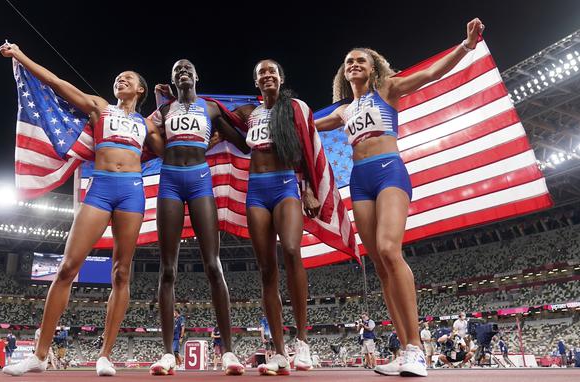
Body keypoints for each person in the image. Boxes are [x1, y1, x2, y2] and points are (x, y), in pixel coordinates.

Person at [315, 18, 485, 377]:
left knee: (391, 249)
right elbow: (304, 125)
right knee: (378, 263)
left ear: (373, 67)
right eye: (349, 62)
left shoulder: (388, 90)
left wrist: (466, 45)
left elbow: (432, 73)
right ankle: (405, 346)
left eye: (361, 60)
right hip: (359, 180)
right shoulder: (343, 110)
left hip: (389, 170)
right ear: (344, 74)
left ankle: (416, 349)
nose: (355, 65)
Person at [0, 42, 163, 377]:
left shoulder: (147, 126)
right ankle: (39, 356)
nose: (121, 80)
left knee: (121, 272)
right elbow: (58, 83)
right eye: (119, 78)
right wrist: (19, 55)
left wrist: (170, 105)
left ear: (140, 89)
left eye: (128, 79)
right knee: (67, 268)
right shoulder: (100, 107)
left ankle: (105, 354)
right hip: (100, 188)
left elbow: (176, 150)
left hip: (132, 193)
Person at [148, 59, 249, 376]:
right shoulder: (164, 112)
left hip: (200, 181)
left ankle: (229, 352)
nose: (182, 71)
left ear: (196, 76)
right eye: (176, 68)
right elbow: (150, 133)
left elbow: (245, 144)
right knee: (167, 269)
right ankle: (167, 354)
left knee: (212, 264)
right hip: (170, 183)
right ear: (173, 79)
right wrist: (157, 100)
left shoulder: (213, 110)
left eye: (187, 67)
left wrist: (265, 122)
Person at [232, 59, 318, 376]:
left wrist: (308, 188)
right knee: (267, 268)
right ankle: (279, 352)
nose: (267, 75)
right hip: (256, 190)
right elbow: (215, 115)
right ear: (257, 82)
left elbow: (306, 146)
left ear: (281, 78)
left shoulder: (293, 109)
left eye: (272, 71)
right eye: (261, 73)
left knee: (293, 251)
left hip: (285, 186)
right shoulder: (249, 114)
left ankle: (303, 341)